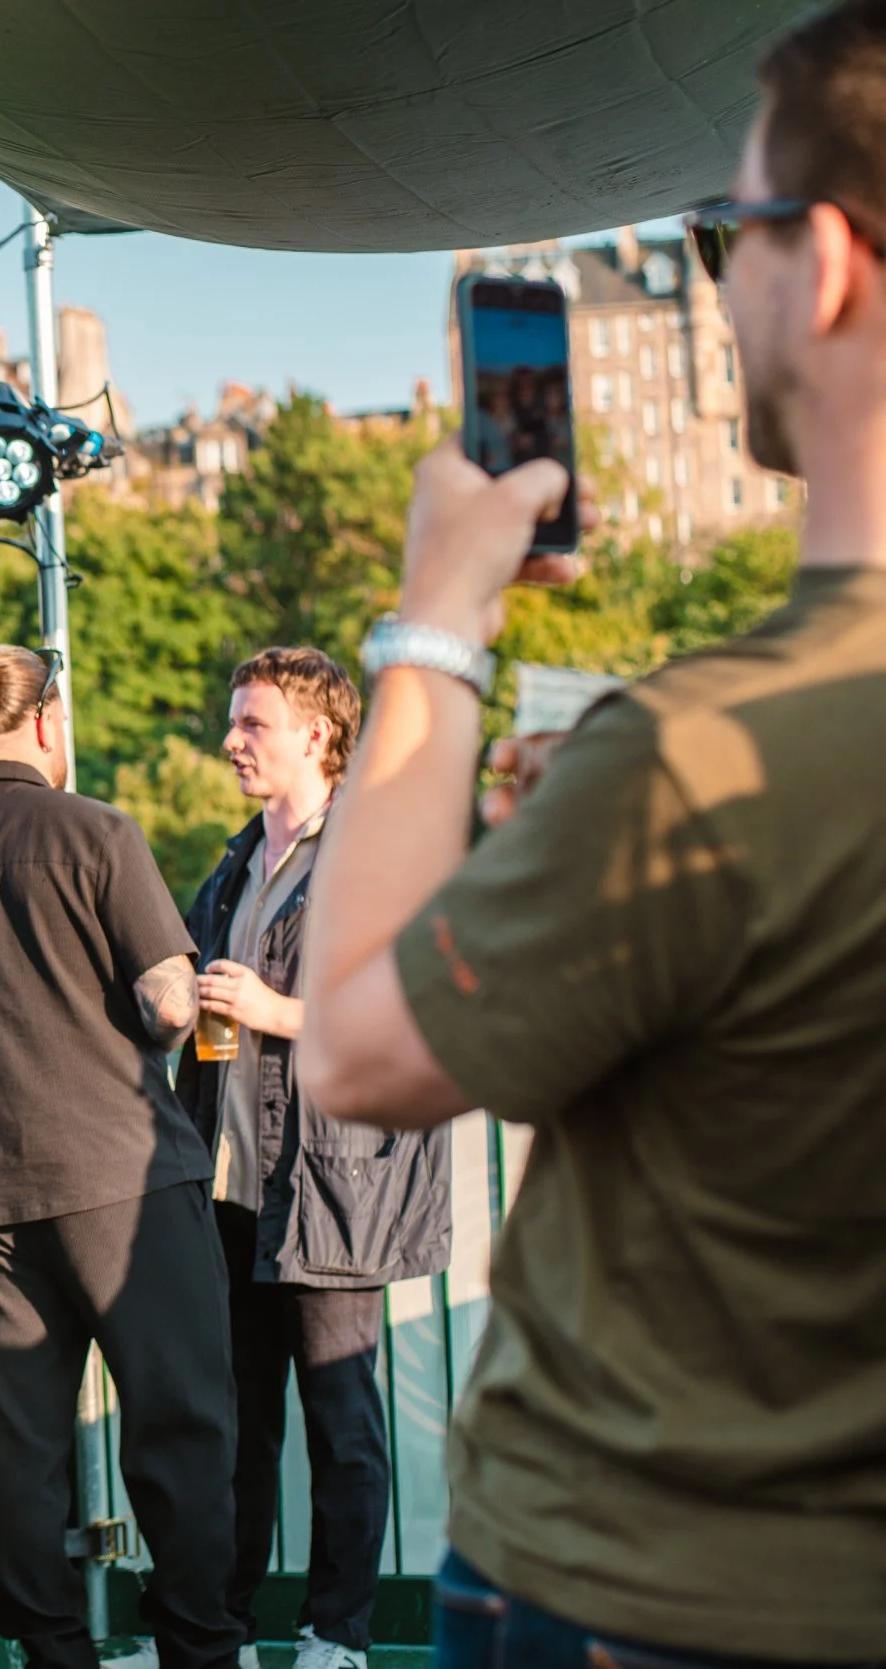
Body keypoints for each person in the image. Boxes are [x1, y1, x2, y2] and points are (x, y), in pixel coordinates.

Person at [303, 5, 886, 1662]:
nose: (721, 277)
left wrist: (435, 624)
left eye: (729, 230)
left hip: (657, 1585)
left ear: (826, 261)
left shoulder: (709, 752)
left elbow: (355, 1042)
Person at [0, 646, 239, 1669]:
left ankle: (51, 1654)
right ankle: (200, 1650)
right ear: (46, 722)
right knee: (182, 1430)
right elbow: (168, 1003)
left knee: (22, 1452)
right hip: (124, 1182)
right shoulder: (96, 830)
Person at [178, 648, 448, 1669]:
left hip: (334, 1189)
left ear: (316, 736)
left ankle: (336, 1633)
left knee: (341, 1429)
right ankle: (235, 1630)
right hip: (232, 1194)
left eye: (250, 724)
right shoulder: (237, 860)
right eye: (234, 721)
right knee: (240, 1432)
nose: (230, 740)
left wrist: (272, 1010)